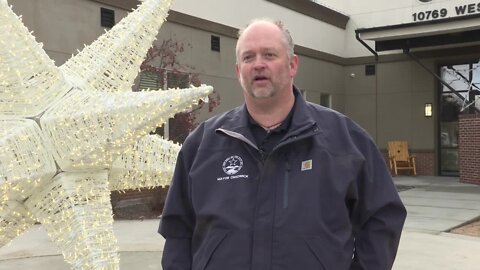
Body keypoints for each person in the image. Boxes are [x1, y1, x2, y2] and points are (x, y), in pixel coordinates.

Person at [159, 18, 406, 270]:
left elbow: (383, 218)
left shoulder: (346, 140)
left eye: (269, 54)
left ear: (292, 65)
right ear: (238, 71)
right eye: (248, 57)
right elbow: (178, 231)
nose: (258, 65)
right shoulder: (203, 145)